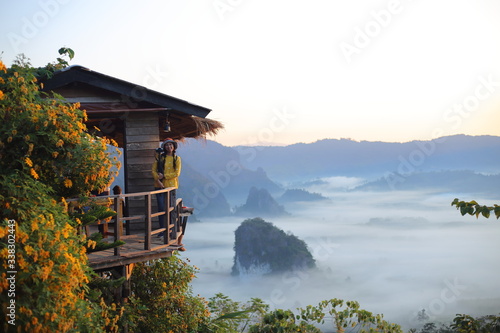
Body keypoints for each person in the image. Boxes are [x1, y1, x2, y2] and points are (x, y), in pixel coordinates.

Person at [152, 138, 182, 246]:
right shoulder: (160, 158)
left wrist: (164, 176)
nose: (169, 147)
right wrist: (157, 178)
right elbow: (153, 170)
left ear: (173, 147)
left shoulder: (176, 159)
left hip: (171, 187)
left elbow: (176, 173)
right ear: (164, 147)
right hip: (159, 186)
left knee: (170, 208)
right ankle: (162, 230)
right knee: (161, 208)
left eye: (171, 145)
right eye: (167, 145)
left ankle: (170, 229)